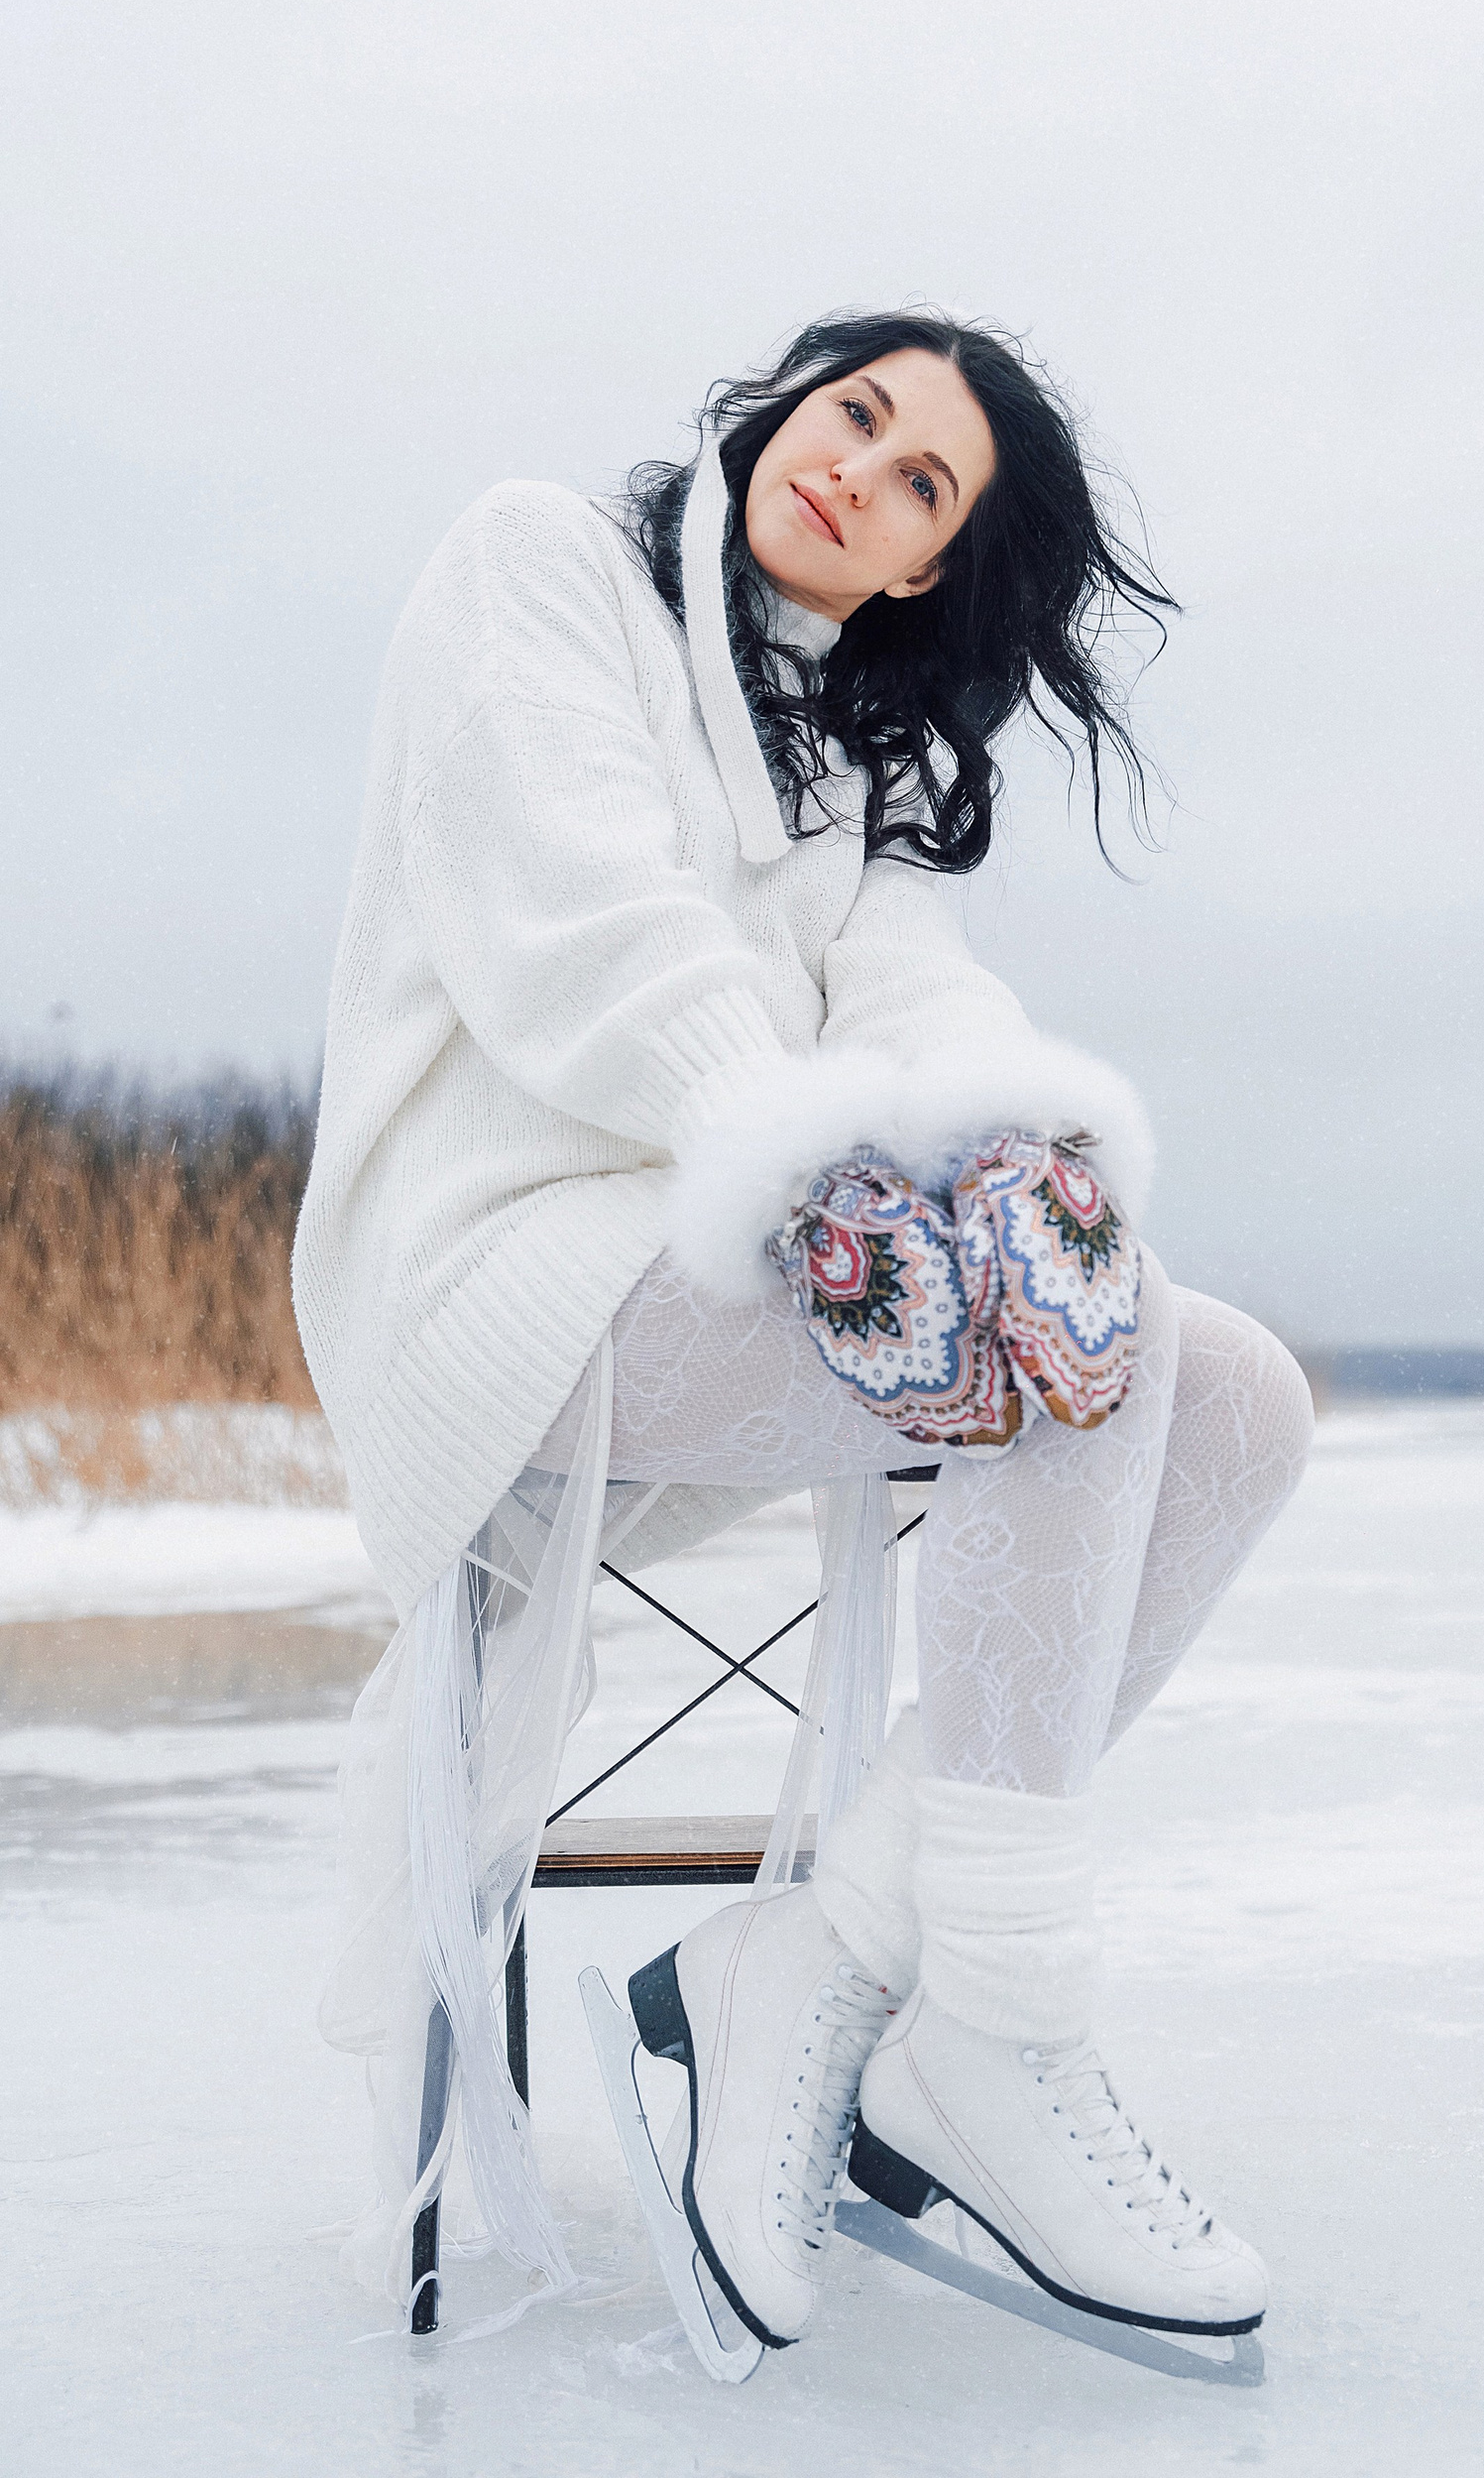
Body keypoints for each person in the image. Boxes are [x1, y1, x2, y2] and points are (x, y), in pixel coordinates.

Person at [293, 308, 1313, 2350]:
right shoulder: (539, 563)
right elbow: (593, 934)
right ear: (785, 408)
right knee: (1078, 1343)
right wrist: (824, 1174)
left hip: (736, 1261)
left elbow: (915, 1001)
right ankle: (1000, 2022)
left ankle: (833, 1959)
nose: (858, 466)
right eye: (857, 412)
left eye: (920, 479)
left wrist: (1020, 1149)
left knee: (1229, 1389)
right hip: (499, 1269)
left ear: (928, 566)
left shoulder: (848, 741)